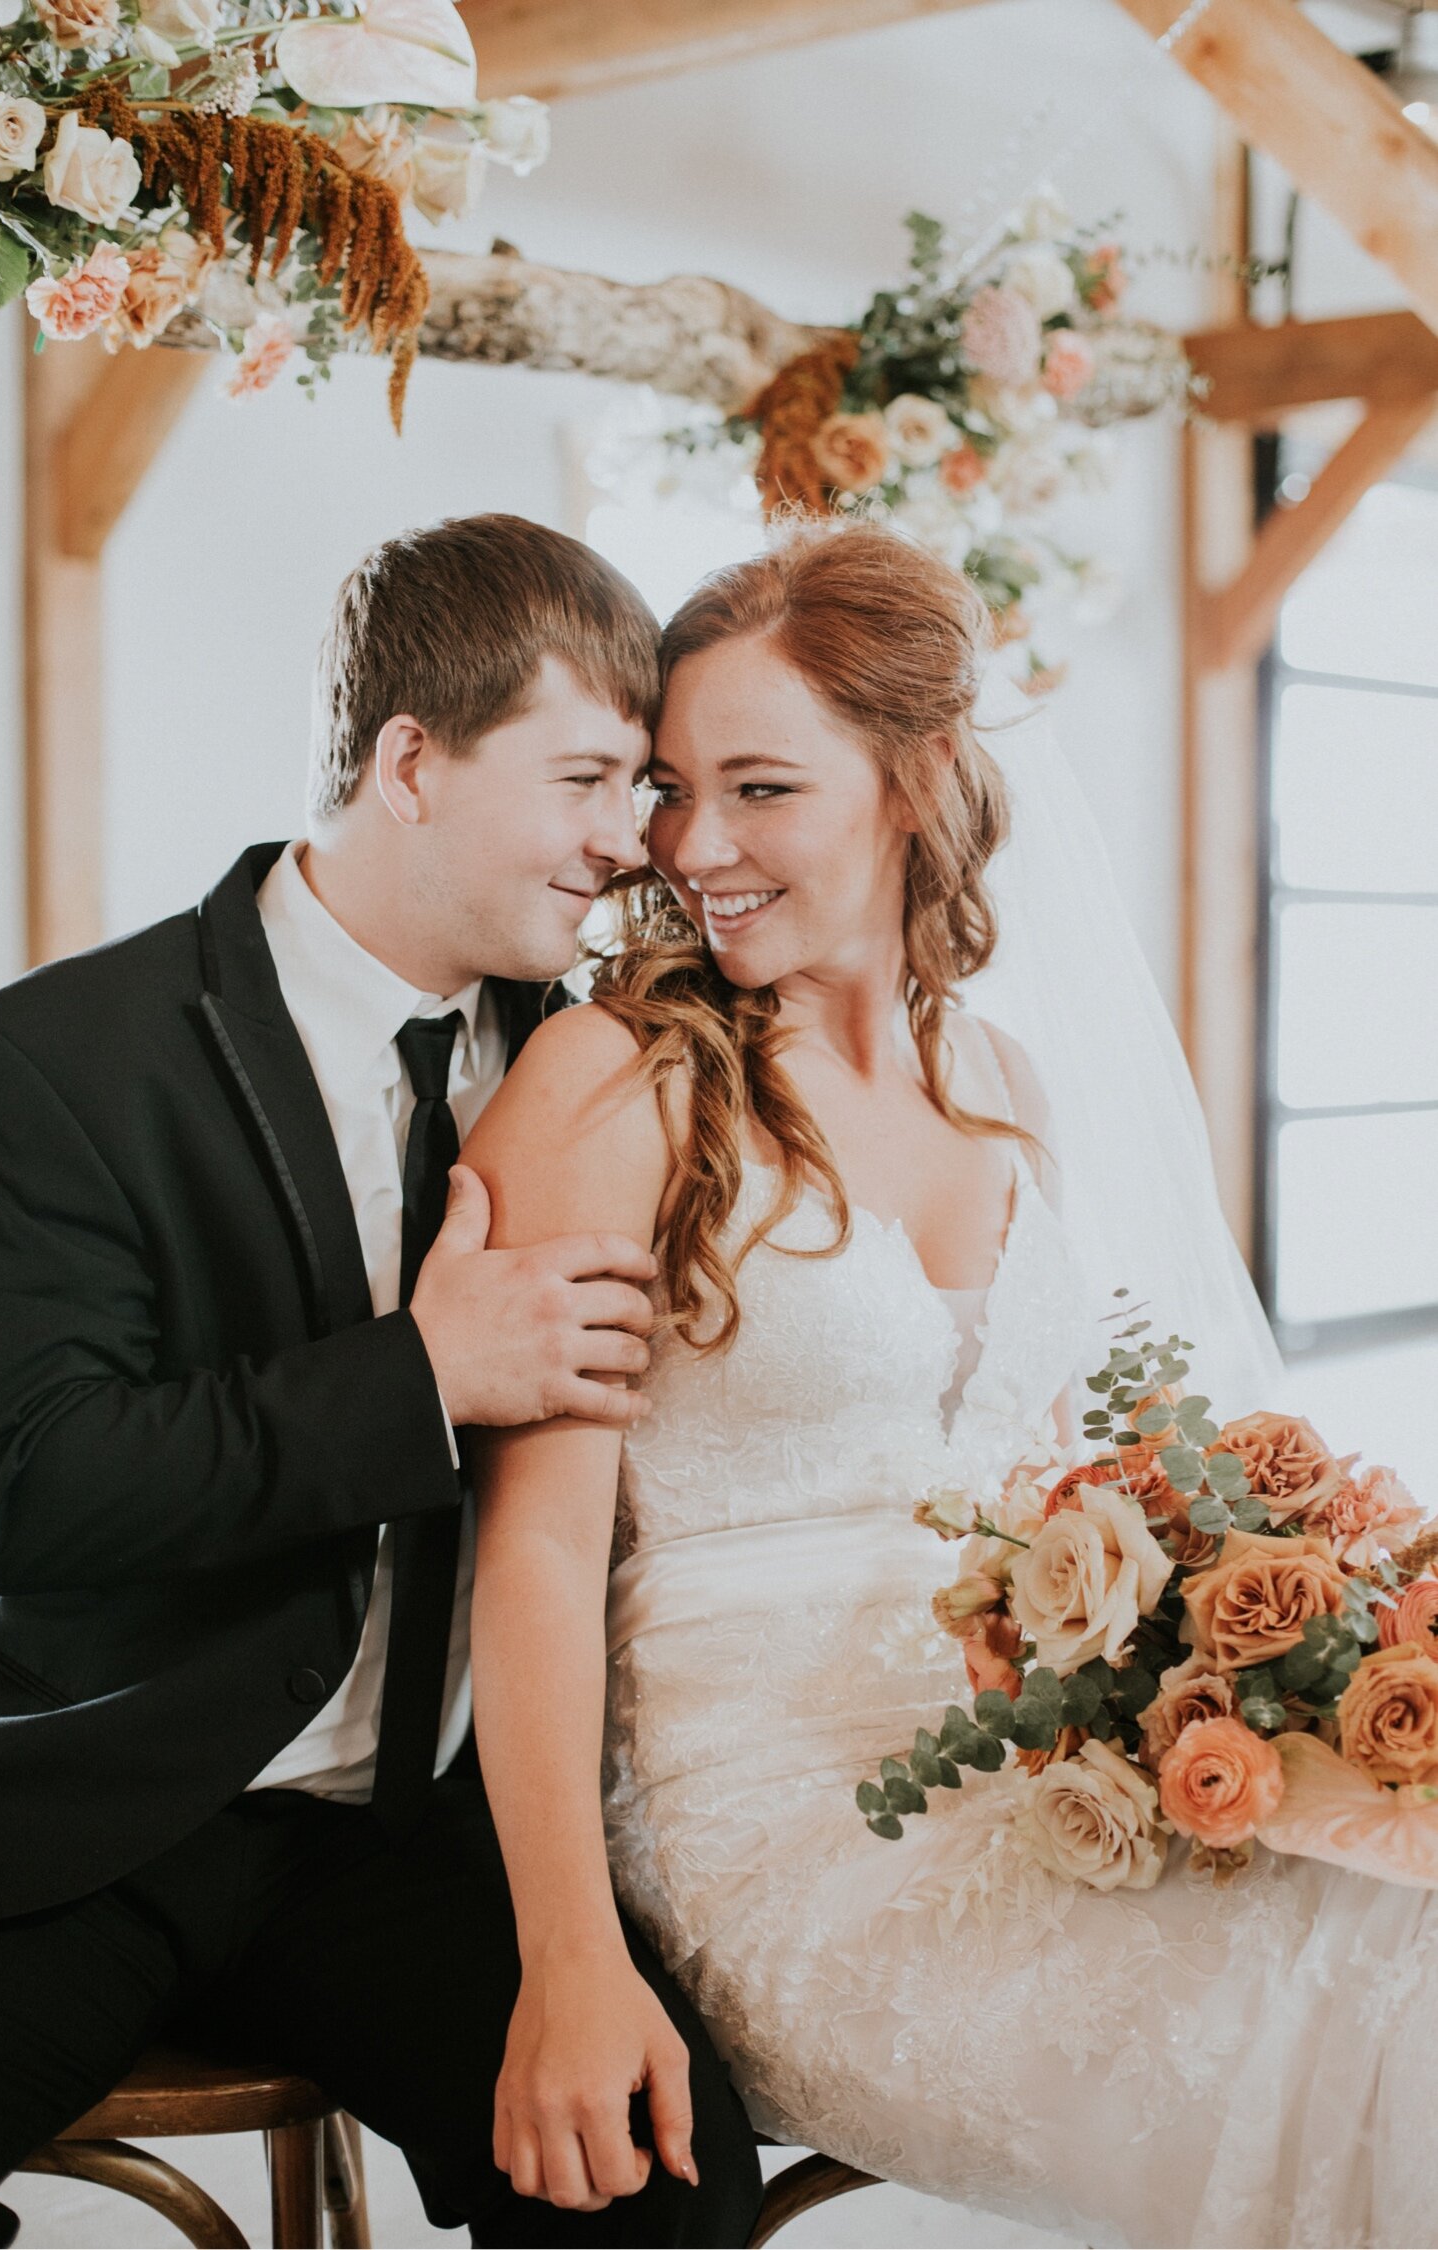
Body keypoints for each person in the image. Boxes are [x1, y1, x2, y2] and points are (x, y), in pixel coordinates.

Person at [463, 520, 1437, 2250]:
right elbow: (534, 1557)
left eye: (762, 788)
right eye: (675, 790)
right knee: (1372, 2023)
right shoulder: (617, 1082)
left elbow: (1072, 1492)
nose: (692, 845)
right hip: (776, 1831)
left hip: (1036, 1766)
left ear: (914, 783)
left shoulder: (1006, 1084)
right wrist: (569, 1959)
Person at [0, 515, 763, 2250]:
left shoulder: (588, 1055)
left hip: (418, 1836)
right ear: (410, 761)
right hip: (99, 1805)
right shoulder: (52, 1060)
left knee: (663, 2178)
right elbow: (23, 1488)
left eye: (645, 787)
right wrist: (419, 1372)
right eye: (589, 779)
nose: (634, 844)